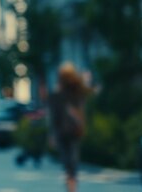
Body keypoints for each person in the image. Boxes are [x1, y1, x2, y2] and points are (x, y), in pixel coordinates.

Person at [48, 63, 90, 192]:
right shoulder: (77, 92)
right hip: (72, 131)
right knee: (72, 163)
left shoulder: (59, 94)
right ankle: (72, 187)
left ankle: (71, 187)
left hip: (64, 132)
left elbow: (54, 117)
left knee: (68, 164)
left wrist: (52, 135)